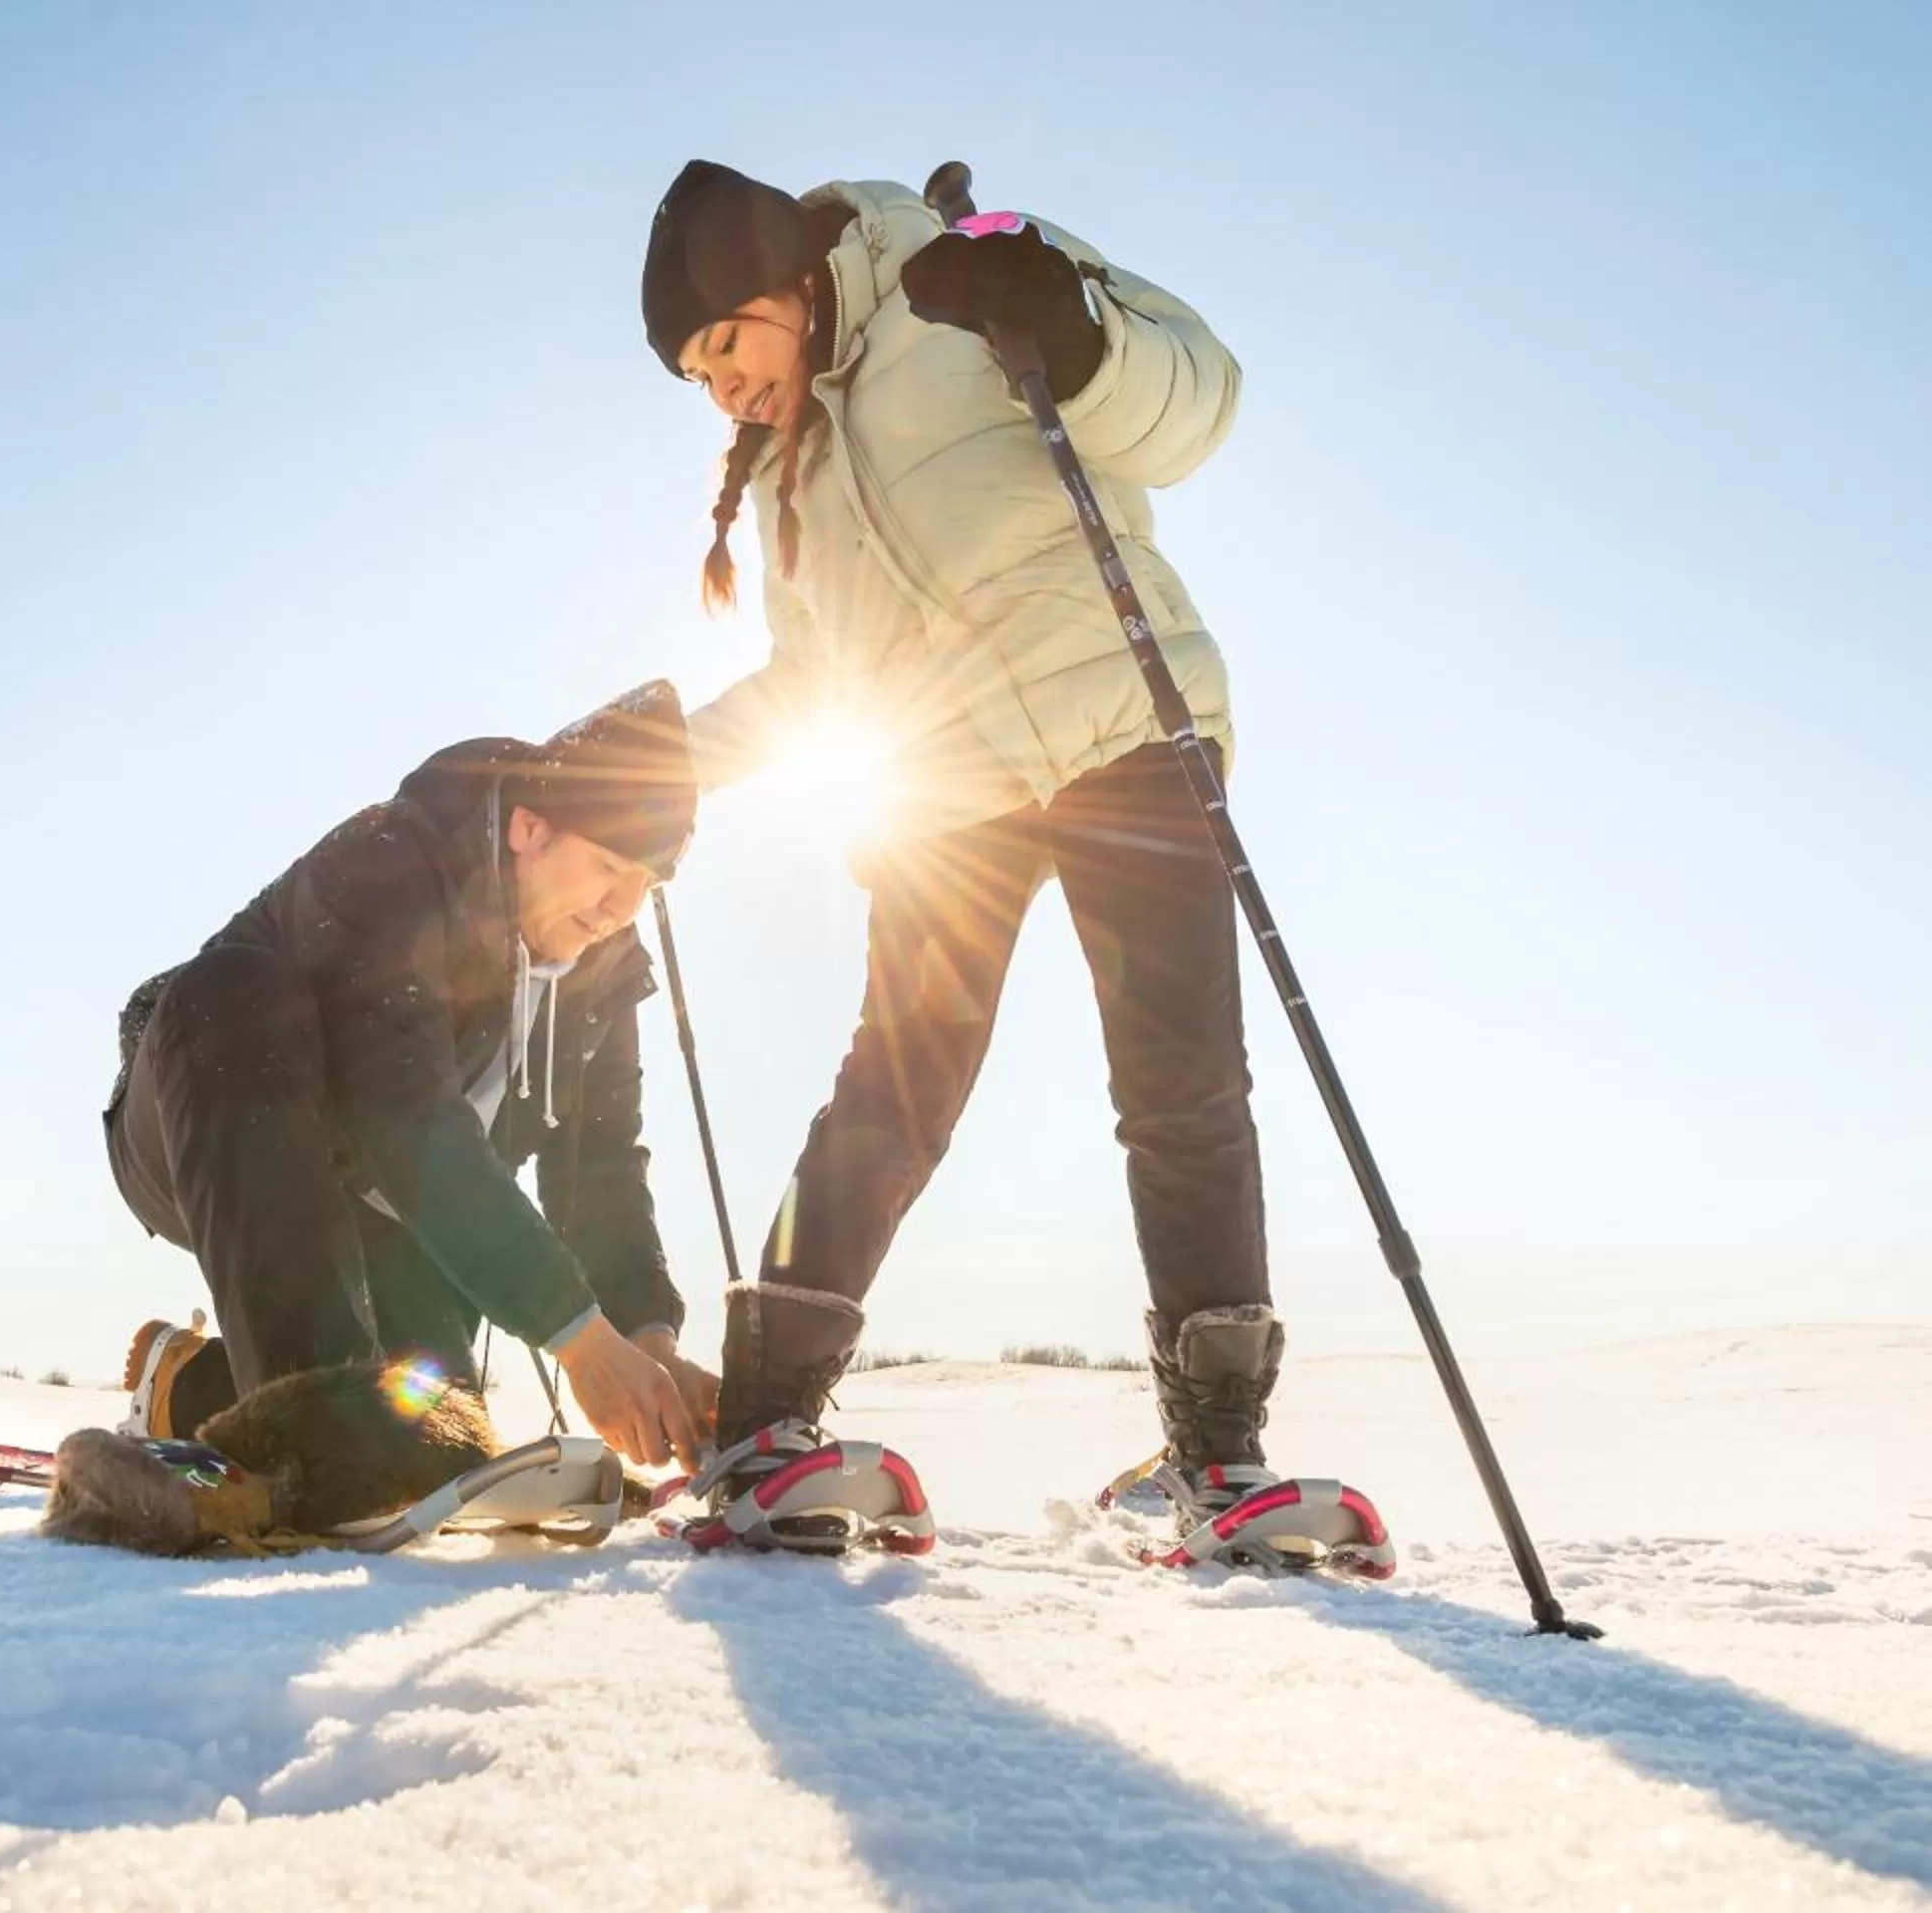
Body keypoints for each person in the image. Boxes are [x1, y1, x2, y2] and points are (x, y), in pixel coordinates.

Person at [638, 159, 1291, 1524]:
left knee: (1182, 1089)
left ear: (779, 283)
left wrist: (1074, 334)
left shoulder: (966, 270)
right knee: (895, 1087)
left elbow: (1199, 399)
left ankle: (1217, 1449)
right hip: (943, 791)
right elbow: (813, 682)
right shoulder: (787, 481)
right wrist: (660, 766)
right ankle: (765, 1430)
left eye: (724, 348)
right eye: (697, 380)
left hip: (1122, 725)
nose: (723, 393)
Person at [101, 682, 716, 1481]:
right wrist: (576, 1337)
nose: (618, 910)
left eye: (647, 886)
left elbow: (601, 1165)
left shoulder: (602, 968)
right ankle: (311, 1447)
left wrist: (644, 1341)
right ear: (531, 828)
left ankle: (187, 1387)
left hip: (393, 1204)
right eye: (606, 867)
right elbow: (405, 1116)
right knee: (235, 989)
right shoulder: (386, 865)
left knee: (432, 1437)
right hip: (204, 1112)